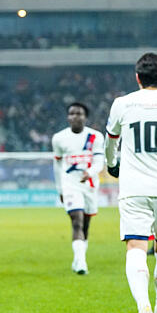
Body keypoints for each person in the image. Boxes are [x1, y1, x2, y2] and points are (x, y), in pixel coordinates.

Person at [105, 53, 157, 313]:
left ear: (137, 78)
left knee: (136, 247)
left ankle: (143, 306)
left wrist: (112, 165)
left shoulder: (122, 103)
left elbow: (111, 141)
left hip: (133, 186)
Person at [52, 102, 104, 275]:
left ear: (85, 117)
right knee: (77, 221)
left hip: (89, 186)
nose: (75, 116)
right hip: (70, 185)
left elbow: (99, 161)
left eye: (79, 113)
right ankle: (81, 263)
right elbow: (57, 165)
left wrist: (90, 172)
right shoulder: (59, 138)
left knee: (86, 225)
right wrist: (60, 189)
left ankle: (78, 258)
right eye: (72, 113)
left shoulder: (95, 137)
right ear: (68, 117)